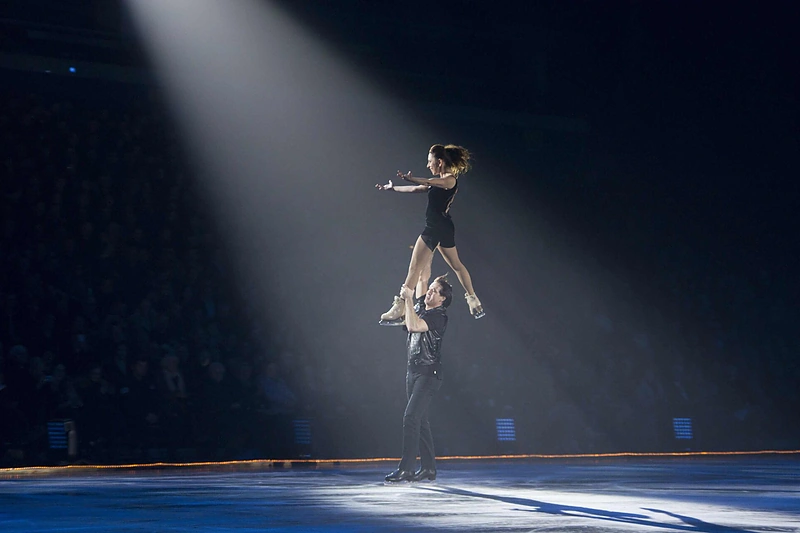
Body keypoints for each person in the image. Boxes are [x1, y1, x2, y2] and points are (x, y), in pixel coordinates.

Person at [375, 144, 484, 325]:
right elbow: (417, 188)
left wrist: (413, 178)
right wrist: (393, 188)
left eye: (430, 161)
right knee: (455, 265)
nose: (428, 165)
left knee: (415, 268)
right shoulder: (439, 180)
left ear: (439, 162)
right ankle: (473, 299)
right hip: (442, 227)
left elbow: (428, 181)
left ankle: (401, 306)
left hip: (435, 228)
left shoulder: (450, 180)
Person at [384, 274, 452, 483]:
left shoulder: (438, 315)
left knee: (411, 417)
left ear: (442, 299)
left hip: (428, 373)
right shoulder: (423, 305)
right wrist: (426, 249)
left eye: (434, 290)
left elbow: (413, 326)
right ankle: (429, 468)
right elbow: (423, 275)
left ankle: (406, 468)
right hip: (413, 371)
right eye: (430, 288)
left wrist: (409, 299)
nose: (429, 291)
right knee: (420, 421)